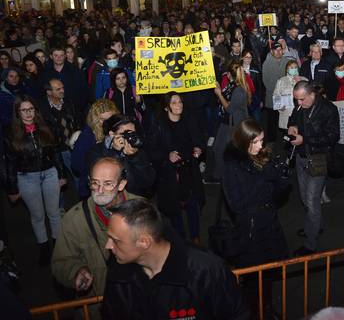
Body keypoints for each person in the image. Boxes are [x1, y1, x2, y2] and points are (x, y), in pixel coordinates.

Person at [101, 198, 250, 319]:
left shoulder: (206, 271)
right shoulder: (117, 273)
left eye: (115, 240)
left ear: (144, 242)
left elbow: (238, 315)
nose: (108, 245)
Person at [51, 157, 145, 304]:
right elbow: (60, 262)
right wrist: (76, 271)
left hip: (139, 301)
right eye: (95, 183)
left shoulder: (143, 210)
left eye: (108, 184)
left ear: (121, 184)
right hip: (98, 305)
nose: (100, 190)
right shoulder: (74, 219)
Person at [222, 119, 289, 317]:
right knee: (252, 278)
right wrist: (265, 181)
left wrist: (281, 180)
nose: (261, 146)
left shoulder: (259, 157)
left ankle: (267, 309)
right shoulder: (232, 166)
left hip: (268, 223)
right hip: (250, 230)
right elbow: (236, 203)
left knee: (268, 274)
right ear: (245, 142)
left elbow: (275, 196)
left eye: (262, 140)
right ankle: (252, 312)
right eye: (257, 142)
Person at [5, 95, 65, 266]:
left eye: (31, 109)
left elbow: (56, 152)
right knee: (37, 216)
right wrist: (12, 189)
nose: (28, 113)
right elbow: (10, 163)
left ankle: (59, 248)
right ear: (18, 112)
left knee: (54, 213)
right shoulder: (11, 133)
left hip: (50, 174)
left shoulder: (45, 126)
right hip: (27, 178)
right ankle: (44, 249)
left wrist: (61, 175)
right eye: (24, 110)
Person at [288, 81, 340, 255]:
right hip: (301, 158)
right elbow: (293, 117)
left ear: (312, 95)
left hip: (318, 159)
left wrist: (306, 140)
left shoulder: (329, 109)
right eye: (296, 100)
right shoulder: (300, 106)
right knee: (305, 197)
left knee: (311, 200)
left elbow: (333, 137)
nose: (298, 104)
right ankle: (316, 225)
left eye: (302, 99)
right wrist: (292, 126)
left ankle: (311, 243)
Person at [146, 92, 205, 242]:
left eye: (180, 102)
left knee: (192, 204)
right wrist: (167, 156)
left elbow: (198, 139)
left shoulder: (189, 119)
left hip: (189, 170)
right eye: (174, 103)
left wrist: (198, 148)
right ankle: (180, 239)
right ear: (166, 107)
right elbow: (152, 151)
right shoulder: (159, 125)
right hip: (170, 175)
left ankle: (195, 237)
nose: (178, 105)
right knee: (174, 209)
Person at [86, 114, 156, 198]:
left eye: (132, 133)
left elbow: (149, 181)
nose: (129, 137)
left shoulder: (135, 149)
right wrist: (116, 153)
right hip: (110, 200)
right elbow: (105, 182)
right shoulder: (96, 152)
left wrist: (134, 157)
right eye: (125, 134)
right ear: (112, 134)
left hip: (134, 201)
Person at [71, 99, 118, 199]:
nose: (107, 123)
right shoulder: (87, 137)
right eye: (102, 120)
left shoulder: (119, 130)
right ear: (95, 119)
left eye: (111, 119)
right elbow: (76, 165)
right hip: (93, 189)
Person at [213, 61, 251, 180]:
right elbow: (227, 101)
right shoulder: (231, 85)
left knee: (224, 151)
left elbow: (229, 108)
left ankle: (225, 177)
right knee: (218, 149)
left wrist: (219, 94)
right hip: (227, 122)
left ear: (230, 74)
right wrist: (220, 90)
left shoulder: (239, 90)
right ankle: (223, 175)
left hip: (234, 125)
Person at [262, 43, 290, 142]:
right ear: (272, 51)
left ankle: (285, 139)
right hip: (272, 96)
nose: (278, 51)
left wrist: (285, 93)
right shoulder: (267, 63)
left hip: (286, 96)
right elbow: (265, 81)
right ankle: (271, 141)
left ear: (283, 50)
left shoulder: (287, 62)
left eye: (280, 49)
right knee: (272, 120)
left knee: (285, 118)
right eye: (276, 50)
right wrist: (278, 94)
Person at [274, 60, 308, 131]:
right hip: (286, 113)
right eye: (291, 67)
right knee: (287, 138)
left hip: (302, 113)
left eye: (295, 67)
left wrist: (300, 82)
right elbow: (276, 96)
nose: (294, 69)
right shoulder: (281, 81)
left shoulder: (304, 79)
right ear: (287, 69)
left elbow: (309, 94)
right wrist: (280, 107)